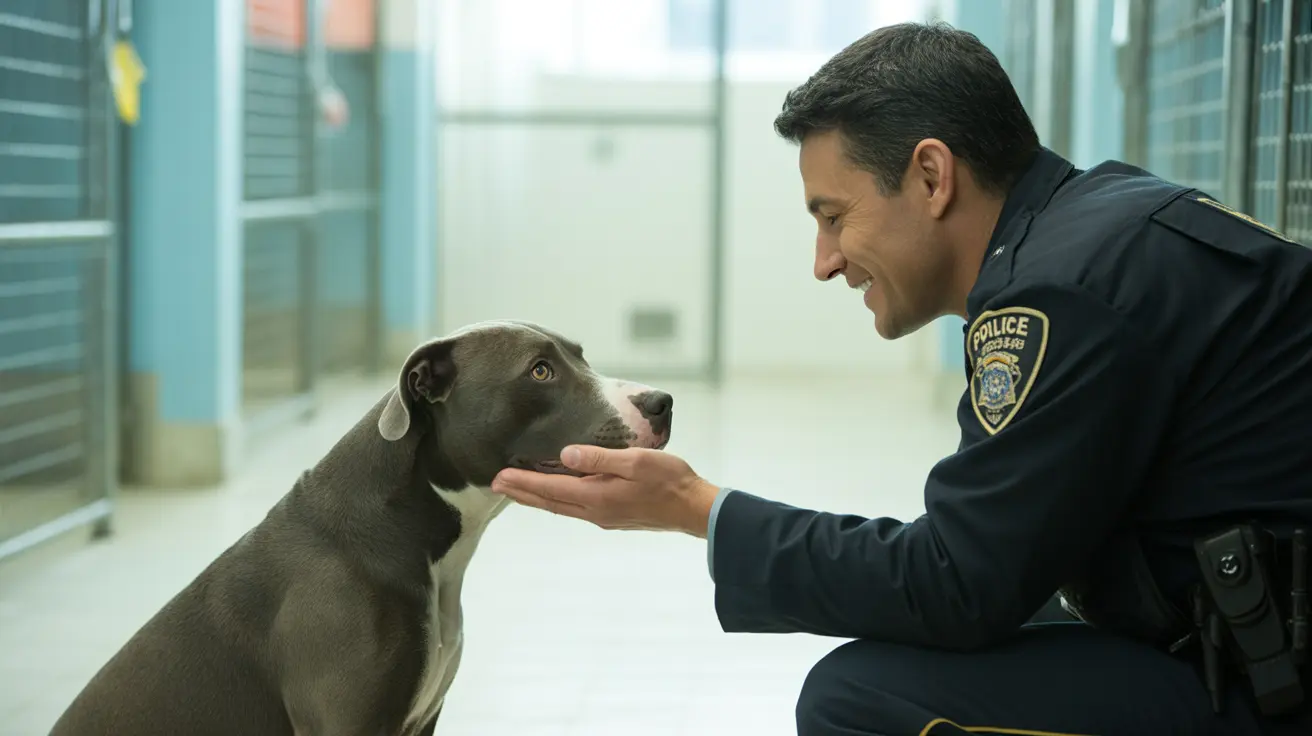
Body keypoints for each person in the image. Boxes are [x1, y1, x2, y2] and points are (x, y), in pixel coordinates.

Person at [489, 20, 1312, 736]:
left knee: (858, 700)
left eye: (834, 216)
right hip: (1239, 636)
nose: (825, 261)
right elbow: (985, 559)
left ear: (930, 175)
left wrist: (695, 509)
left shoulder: (1057, 294)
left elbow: (954, 583)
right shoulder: (1098, 227)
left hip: (1271, 689)